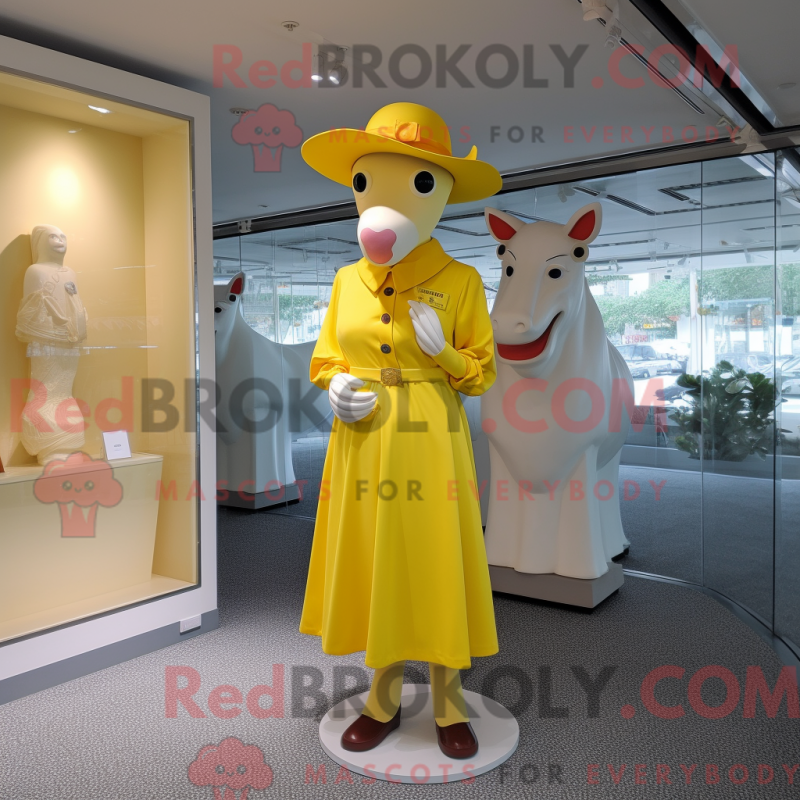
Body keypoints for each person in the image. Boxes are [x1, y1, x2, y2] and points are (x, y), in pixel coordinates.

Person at [299, 103, 502, 759]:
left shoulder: (461, 281)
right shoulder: (345, 281)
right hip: (361, 440)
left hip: (430, 439)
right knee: (376, 564)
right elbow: (326, 356)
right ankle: (380, 699)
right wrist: (335, 384)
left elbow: (481, 375)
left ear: (439, 193)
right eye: (365, 183)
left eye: (415, 183)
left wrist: (445, 354)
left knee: (434, 561)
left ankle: (449, 704)